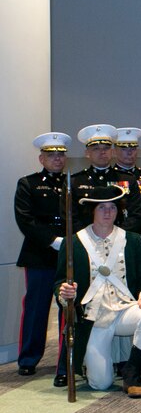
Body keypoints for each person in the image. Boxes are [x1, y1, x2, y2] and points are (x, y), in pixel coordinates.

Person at [55, 185, 141, 397]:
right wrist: (65, 292)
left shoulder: (131, 240)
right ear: (92, 211)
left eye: (112, 207)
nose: (108, 212)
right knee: (101, 384)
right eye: (102, 208)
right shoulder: (73, 242)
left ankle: (133, 371)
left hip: (124, 309)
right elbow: (60, 280)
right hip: (94, 316)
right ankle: (92, 365)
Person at [15, 132, 71, 377]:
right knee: (36, 309)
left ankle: (65, 360)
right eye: (51, 155)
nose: (57, 159)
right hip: (39, 255)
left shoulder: (73, 183)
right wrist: (52, 240)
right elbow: (25, 220)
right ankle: (28, 358)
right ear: (41, 158)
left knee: (67, 309)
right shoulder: (28, 183)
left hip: (68, 254)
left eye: (61, 155)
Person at [71, 124, 141, 237]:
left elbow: (136, 214)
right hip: (86, 239)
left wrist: (119, 236)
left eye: (106, 148)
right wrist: (89, 236)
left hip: (121, 238)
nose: (102, 152)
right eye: (96, 149)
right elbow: (70, 215)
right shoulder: (76, 180)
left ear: (112, 151)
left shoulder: (127, 179)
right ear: (87, 153)